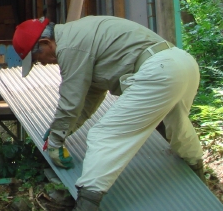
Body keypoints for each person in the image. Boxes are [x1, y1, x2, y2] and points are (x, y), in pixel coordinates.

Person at [13, 16, 205, 211]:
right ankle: (198, 176)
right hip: (183, 64)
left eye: (38, 58)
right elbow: (88, 98)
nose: (42, 64)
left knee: (103, 135)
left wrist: (55, 141)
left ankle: (86, 205)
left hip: (160, 71)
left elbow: (70, 100)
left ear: (46, 43)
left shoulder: (70, 47)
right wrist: (63, 130)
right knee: (178, 125)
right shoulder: (79, 34)